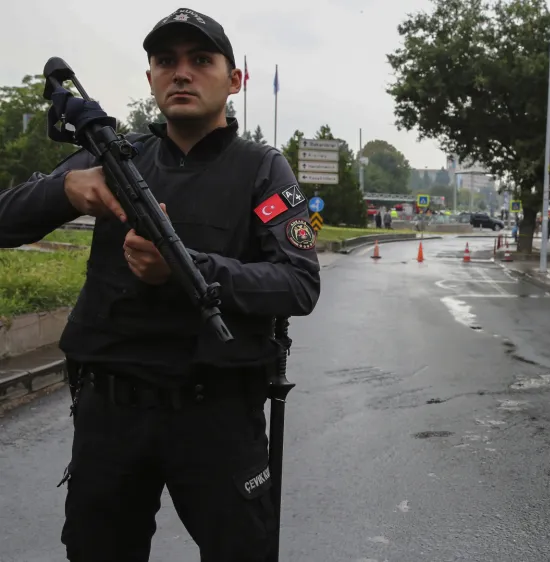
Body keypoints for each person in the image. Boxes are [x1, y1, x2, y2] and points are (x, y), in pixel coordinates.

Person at [0, 8, 320, 561]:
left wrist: (190, 270)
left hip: (216, 417)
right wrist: (65, 191)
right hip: (112, 416)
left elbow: (298, 282)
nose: (181, 73)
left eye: (201, 60)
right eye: (165, 61)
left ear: (234, 80)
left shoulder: (264, 170)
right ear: (149, 78)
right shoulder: (111, 159)